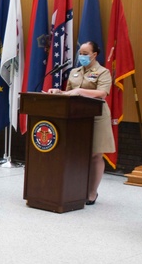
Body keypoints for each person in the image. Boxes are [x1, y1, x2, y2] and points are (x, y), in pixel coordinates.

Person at [47, 41, 114, 205]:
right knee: (77, 153)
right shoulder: (74, 72)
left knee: (95, 154)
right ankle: (76, 189)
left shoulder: (103, 72)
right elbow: (69, 92)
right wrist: (59, 92)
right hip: (77, 116)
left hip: (97, 116)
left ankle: (92, 192)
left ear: (94, 55)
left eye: (85, 53)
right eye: (80, 53)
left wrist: (79, 91)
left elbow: (102, 93)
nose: (81, 56)